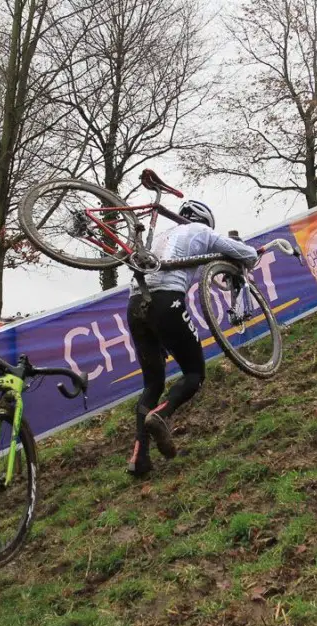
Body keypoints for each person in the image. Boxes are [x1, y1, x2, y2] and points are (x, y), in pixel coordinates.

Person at [126, 200, 258, 477]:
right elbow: (244, 253)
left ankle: (139, 458)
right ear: (204, 220)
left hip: (135, 305)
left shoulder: (161, 236)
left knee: (152, 383)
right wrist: (252, 257)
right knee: (194, 372)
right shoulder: (200, 231)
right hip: (166, 301)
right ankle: (161, 414)